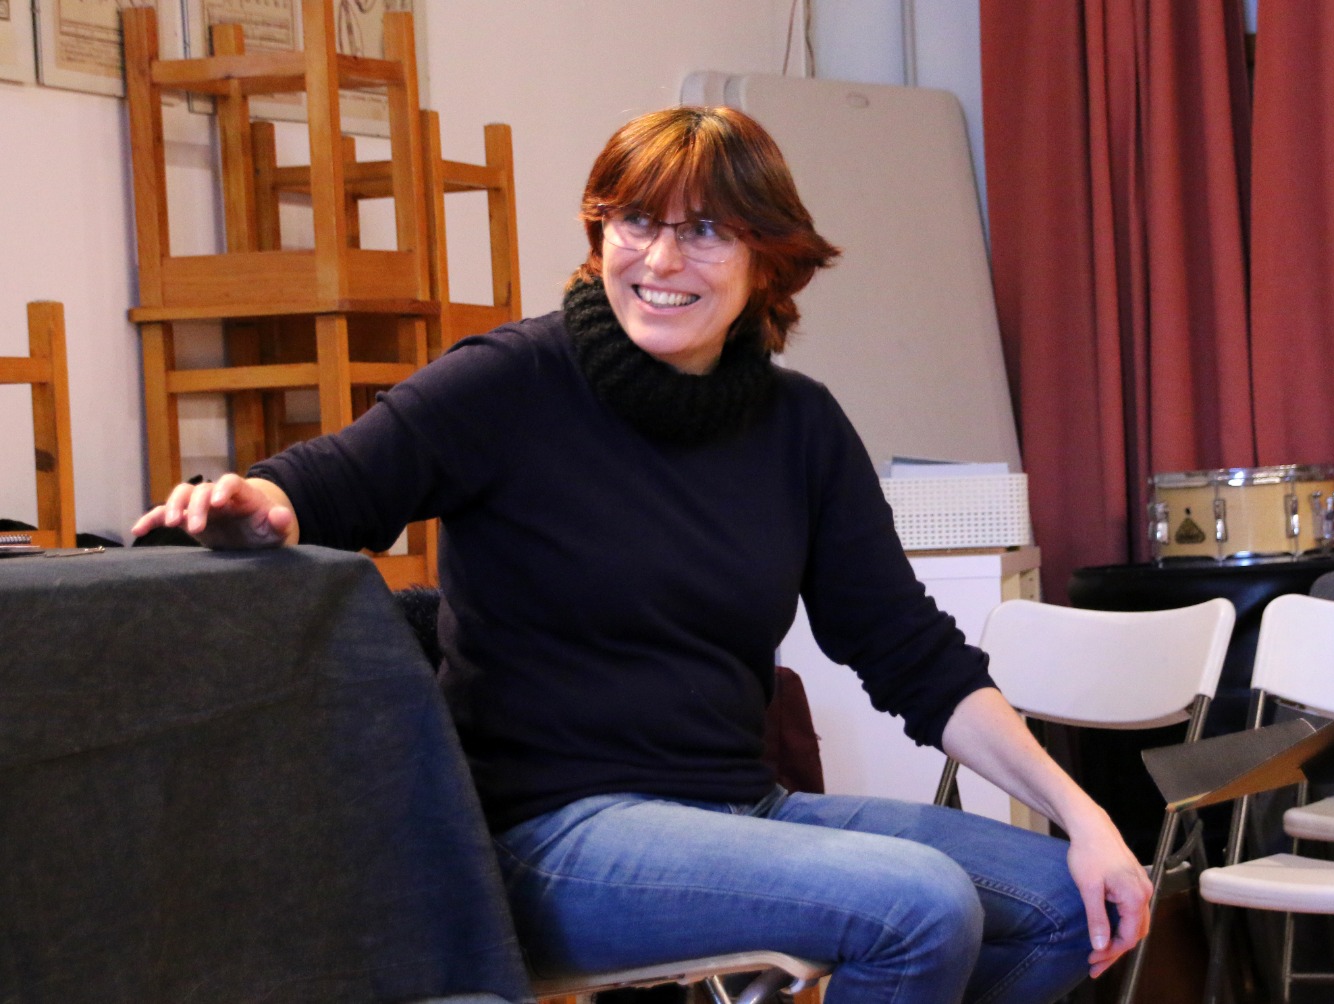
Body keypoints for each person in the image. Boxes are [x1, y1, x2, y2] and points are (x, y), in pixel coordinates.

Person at [132, 105, 1151, 1003]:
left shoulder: (799, 426)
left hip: (740, 813)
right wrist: (254, 501)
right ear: (599, 235)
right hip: (549, 836)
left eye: (704, 230)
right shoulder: (511, 382)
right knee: (916, 903)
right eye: (634, 221)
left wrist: (1084, 814)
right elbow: (325, 484)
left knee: (1070, 904)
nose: (660, 261)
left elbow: (911, 654)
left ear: (767, 260)